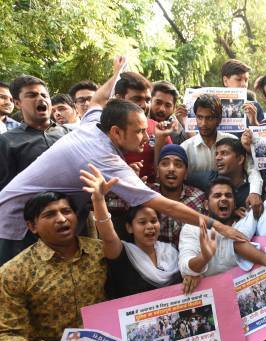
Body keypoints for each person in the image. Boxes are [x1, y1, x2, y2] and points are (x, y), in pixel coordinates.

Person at [0, 58, 246, 266]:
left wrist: (116, 71)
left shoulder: (96, 122)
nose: (146, 136)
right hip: (17, 222)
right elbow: (166, 206)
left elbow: (98, 99)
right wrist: (221, 227)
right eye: (139, 131)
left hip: (42, 216)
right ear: (116, 132)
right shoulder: (104, 158)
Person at [81, 164, 181, 341]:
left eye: (154, 221)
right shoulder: (122, 252)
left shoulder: (171, 252)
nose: (150, 227)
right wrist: (99, 200)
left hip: (171, 334)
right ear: (129, 227)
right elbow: (106, 233)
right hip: (133, 340)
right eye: (142, 222)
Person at [178, 177, 266, 341]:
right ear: (206, 203)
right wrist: (204, 258)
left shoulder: (245, 223)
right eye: (217, 195)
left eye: (228, 195)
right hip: (221, 306)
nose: (223, 199)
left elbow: (258, 250)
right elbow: (185, 265)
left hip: (252, 300)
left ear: (234, 202)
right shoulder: (192, 228)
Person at [0, 192, 107, 341]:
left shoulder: (101, 253)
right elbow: (5, 335)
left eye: (66, 211)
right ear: (32, 226)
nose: (61, 219)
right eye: (49, 214)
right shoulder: (13, 272)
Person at [181, 94, 263, 213]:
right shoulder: (186, 148)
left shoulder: (233, 141)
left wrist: (255, 192)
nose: (203, 123)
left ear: (219, 119)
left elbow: (251, 169)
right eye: (199, 117)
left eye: (209, 118)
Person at [0, 75, 70, 191]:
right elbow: (6, 190)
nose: (41, 99)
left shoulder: (70, 134)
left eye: (44, 95)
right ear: (17, 103)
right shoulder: (6, 142)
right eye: (32, 95)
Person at [114, 71, 173, 183]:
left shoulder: (158, 130)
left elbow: (166, 176)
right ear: (119, 98)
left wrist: (159, 144)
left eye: (147, 100)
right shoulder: (102, 133)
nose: (144, 105)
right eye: (137, 99)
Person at [152, 144, 206, 247]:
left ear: (186, 173)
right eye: (165, 164)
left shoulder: (200, 198)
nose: (171, 169)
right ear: (157, 171)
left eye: (178, 165)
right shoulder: (146, 194)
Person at [220, 59, 265, 126]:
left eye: (246, 80)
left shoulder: (255, 107)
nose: (244, 84)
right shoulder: (213, 106)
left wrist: (254, 122)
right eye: (238, 79)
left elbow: (263, 135)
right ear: (225, 81)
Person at [150, 80, 189, 144]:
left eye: (168, 105)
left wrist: (186, 123)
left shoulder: (177, 127)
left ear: (174, 108)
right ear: (150, 101)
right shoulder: (139, 122)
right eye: (158, 102)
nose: (162, 109)